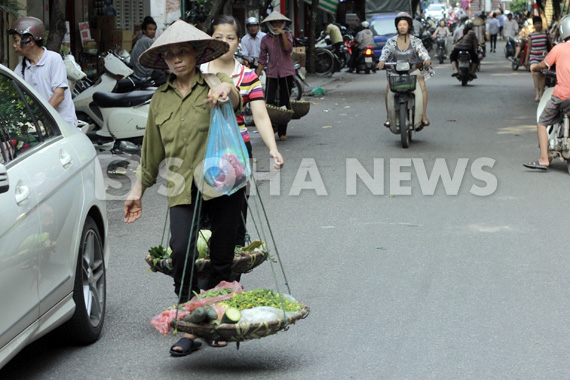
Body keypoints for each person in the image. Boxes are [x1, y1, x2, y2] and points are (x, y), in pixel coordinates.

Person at [124, 19, 244, 356]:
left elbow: (233, 96)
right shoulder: (160, 99)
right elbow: (151, 150)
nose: (176, 59)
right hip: (180, 182)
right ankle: (191, 325)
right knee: (180, 252)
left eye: (183, 52)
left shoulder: (215, 81)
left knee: (221, 258)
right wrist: (137, 190)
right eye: (169, 55)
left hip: (222, 181)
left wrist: (225, 92)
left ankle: (217, 321)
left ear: (196, 54)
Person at [201, 15, 284, 247]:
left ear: (239, 42)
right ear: (210, 40)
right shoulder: (197, 72)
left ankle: (231, 275)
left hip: (237, 151)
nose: (225, 42)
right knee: (202, 216)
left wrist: (273, 148)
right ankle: (205, 273)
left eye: (230, 37)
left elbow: (259, 116)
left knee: (234, 213)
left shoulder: (249, 76)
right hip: (201, 149)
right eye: (219, 37)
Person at [8, 17, 77, 128]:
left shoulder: (53, 59)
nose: (14, 45)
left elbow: (59, 95)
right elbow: (14, 97)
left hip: (63, 125)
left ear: (29, 40)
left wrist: (41, 119)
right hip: (41, 127)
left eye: (16, 40)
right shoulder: (21, 68)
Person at [523, 16, 570, 170]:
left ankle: (544, 159)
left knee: (542, 122)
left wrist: (535, 67)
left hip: (562, 95)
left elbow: (545, 64)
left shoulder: (559, 48)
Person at [377, 12, 431, 128]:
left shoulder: (415, 40)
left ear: (409, 26)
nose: (402, 27)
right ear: (397, 26)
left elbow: (421, 51)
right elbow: (386, 51)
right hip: (395, 71)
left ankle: (423, 116)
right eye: (400, 24)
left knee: (422, 86)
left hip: (412, 70)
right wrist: (382, 60)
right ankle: (388, 116)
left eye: (404, 24)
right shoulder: (391, 41)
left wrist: (426, 58)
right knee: (388, 89)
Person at [256, 11, 295, 140]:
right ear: (270, 24)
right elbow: (262, 59)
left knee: (285, 101)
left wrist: (283, 34)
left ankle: (282, 131)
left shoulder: (288, 34)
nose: (276, 25)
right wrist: (255, 76)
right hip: (271, 73)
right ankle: (273, 126)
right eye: (274, 23)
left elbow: (288, 49)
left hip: (286, 73)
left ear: (283, 24)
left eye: (279, 22)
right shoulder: (265, 39)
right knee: (270, 101)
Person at [130, 16, 168, 85]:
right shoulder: (148, 41)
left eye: (154, 29)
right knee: (165, 75)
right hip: (145, 74)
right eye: (150, 29)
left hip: (137, 72)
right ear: (144, 30)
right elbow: (158, 59)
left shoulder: (140, 40)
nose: (153, 32)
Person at [526, 16, 552, 102]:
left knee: (543, 75)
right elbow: (529, 48)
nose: (538, 25)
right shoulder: (531, 35)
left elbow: (551, 46)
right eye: (536, 24)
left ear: (541, 23)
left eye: (539, 23)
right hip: (534, 57)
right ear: (533, 25)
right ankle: (537, 94)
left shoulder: (546, 33)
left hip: (544, 57)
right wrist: (526, 59)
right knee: (536, 73)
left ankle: (541, 93)